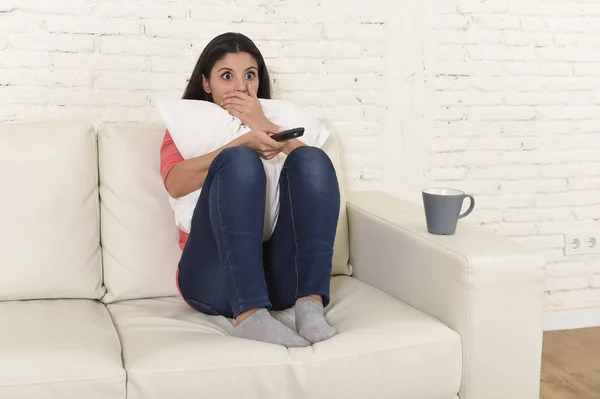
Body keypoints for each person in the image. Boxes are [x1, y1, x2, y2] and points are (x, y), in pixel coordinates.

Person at [160, 32, 340, 347]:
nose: (241, 87)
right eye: (226, 76)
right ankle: (249, 315)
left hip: (279, 280)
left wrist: (264, 125)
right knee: (239, 160)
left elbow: (316, 175)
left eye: (250, 76)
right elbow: (175, 184)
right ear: (206, 83)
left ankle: (310, 305)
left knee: (311, 157)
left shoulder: (274, 119)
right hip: (211, 280)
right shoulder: (184, 125)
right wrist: (241, 142)